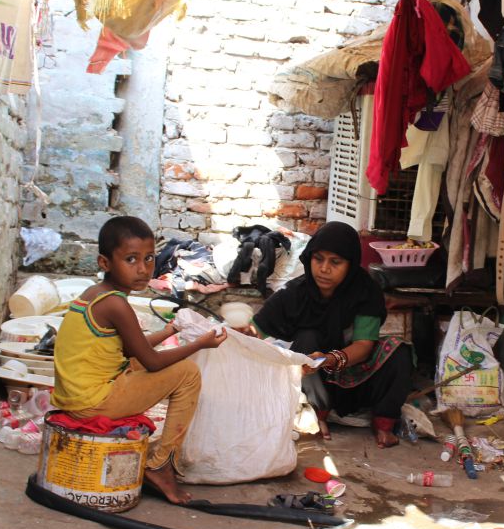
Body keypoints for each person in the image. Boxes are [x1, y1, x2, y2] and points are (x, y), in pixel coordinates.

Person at [53, 216, 227, 504]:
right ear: (104, 263)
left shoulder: (96, 295)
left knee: (136, 364)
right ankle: (161, 465)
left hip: (78, 397)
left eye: (148, 258)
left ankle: (160, 462)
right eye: (131, 259)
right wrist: (200, 344)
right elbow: (152, 362)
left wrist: (170, 330)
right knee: (187, 372)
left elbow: (132, 350)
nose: (143, 269)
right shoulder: (116, 304)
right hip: (94, 403)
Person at [239, 221, 414, 448]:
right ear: (309, 257)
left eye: (335, 262)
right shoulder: (293, 293)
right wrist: (240, 332)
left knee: (400, 352)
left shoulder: (364, 291)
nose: (324, 269)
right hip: (315, 379)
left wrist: (330, 359)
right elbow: (256, 331)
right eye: (318, 259)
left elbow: (363, 345)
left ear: (350, 265)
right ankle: (315, 413)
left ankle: (383, 423)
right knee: (306, 338)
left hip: (356, 374)